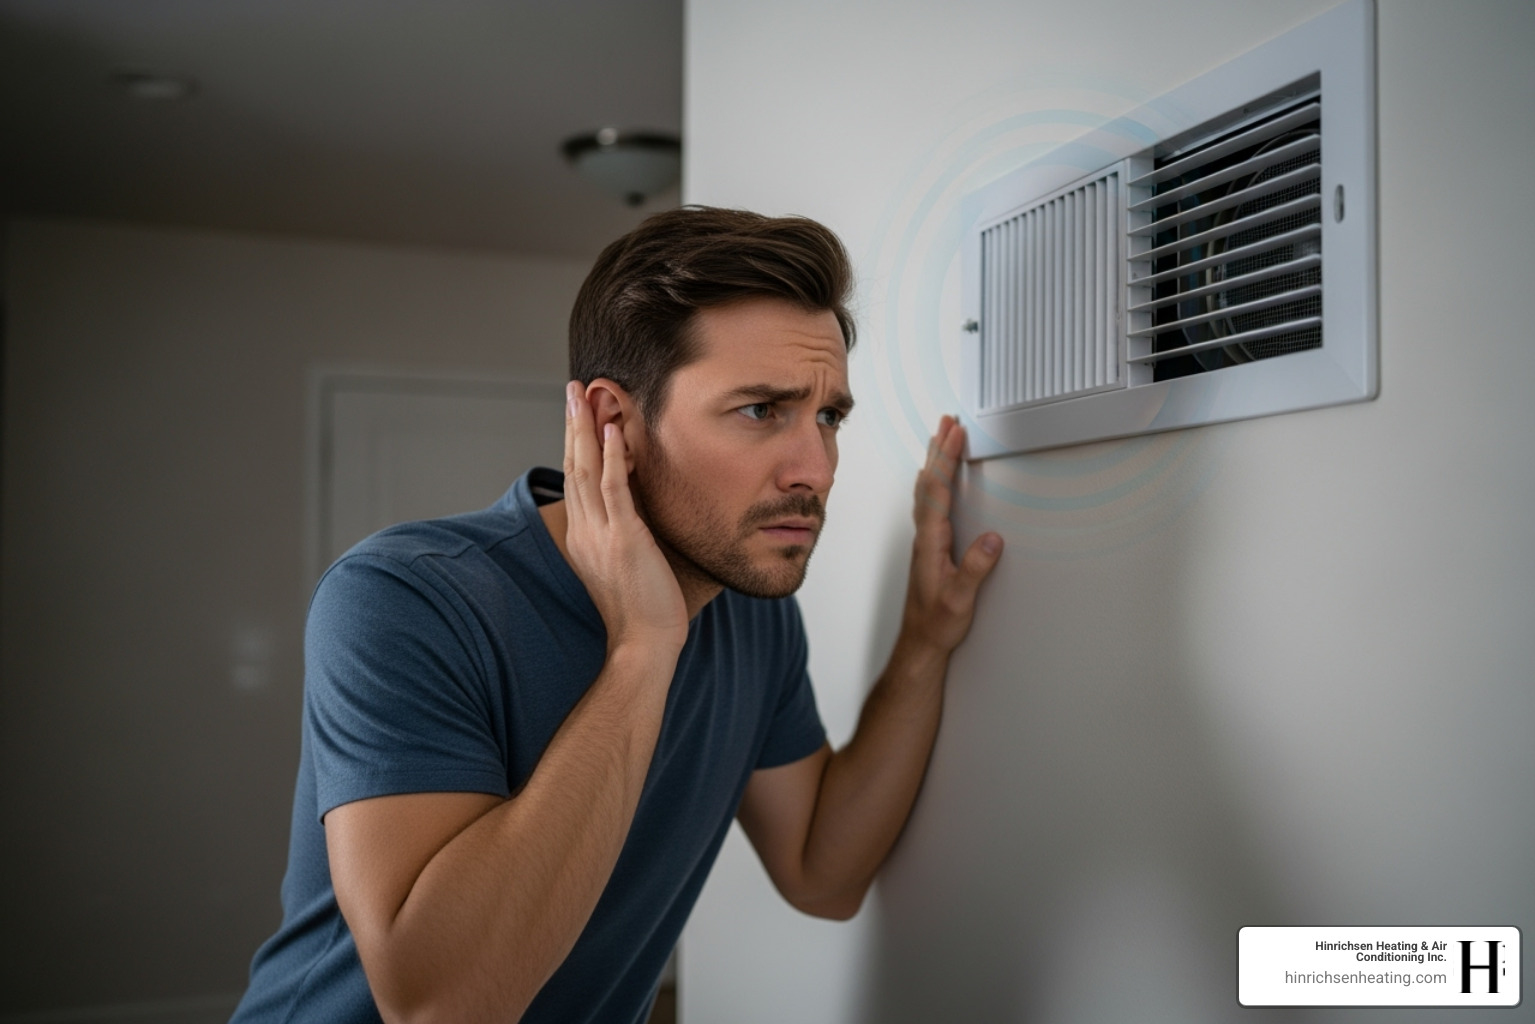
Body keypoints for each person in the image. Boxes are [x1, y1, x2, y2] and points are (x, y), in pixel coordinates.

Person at [230, 206, 1003, 1024]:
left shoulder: (751, 613)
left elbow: (822, 870)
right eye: (759, 411)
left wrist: (924, 644)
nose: (816, 468)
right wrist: (644, 648)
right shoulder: (406, 599)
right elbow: (441, 1005)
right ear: (612, 424)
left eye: (828, 416)